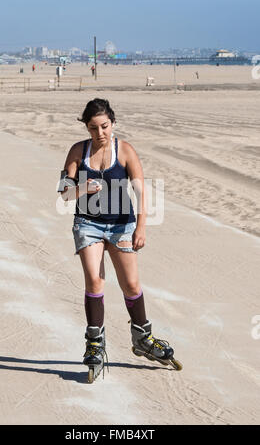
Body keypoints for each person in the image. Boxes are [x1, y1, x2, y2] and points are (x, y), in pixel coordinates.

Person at [59, 98, 180, 377]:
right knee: (95, 280)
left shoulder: (124, 151)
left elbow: (140, 192)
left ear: (112, 123)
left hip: (122, 225)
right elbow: (64, 194)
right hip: (87, 224)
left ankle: (142, 338)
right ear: (86, 128)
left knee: (131, 284)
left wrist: (141, 227)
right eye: (93, 128)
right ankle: (94, 344)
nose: (100, 133)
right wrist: (82, 189)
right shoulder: (77, 151)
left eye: (104, 126)